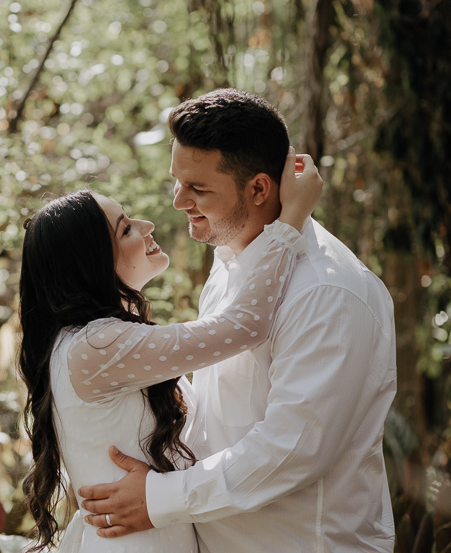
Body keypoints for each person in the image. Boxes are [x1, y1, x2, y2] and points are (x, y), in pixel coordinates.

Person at [78, 88, 397, 552]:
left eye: (198, 189)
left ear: (260, 188)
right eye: (177, 180)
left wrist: (158, 497)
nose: (177, 201)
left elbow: (291, 448)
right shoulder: (232, 258)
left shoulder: (328, 293)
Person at [17, 150, 322, 552]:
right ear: (93, 266)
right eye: (126, 229)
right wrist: (289, 223)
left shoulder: (90, 344)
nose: (147, 226)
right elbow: (245, 326)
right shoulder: (96, 346)